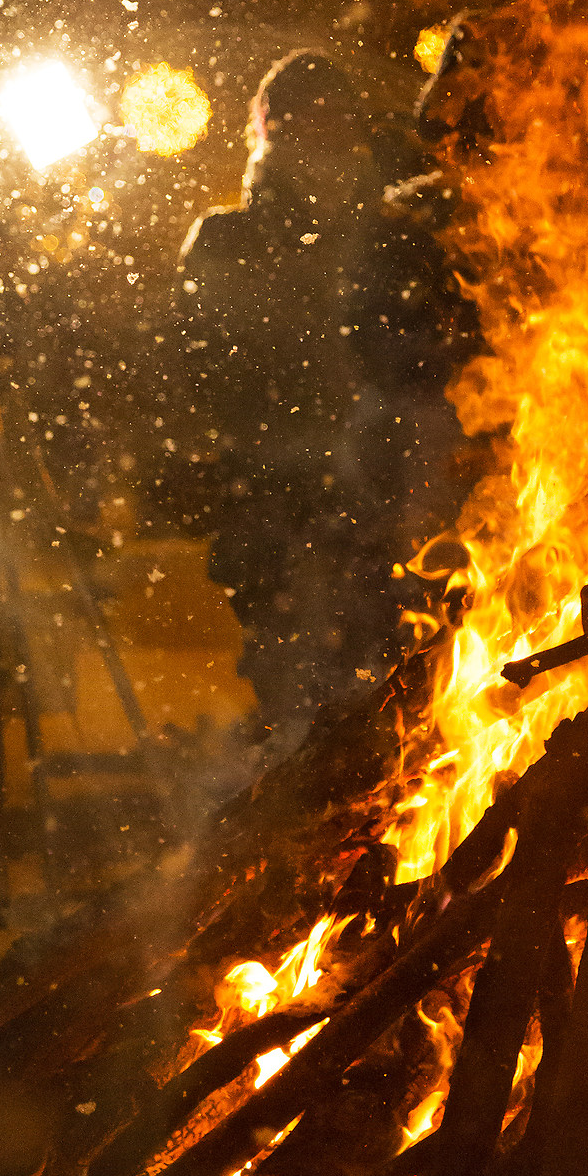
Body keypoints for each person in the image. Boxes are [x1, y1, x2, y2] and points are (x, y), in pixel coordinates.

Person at [177, 50, 472, 743]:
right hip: (284, 517)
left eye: (340, 124)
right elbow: (210, 373)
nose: (326, 141)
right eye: (306, 126)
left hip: (394, 515)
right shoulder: (230, 241)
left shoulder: (399, 238)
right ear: (270, 134)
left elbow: (439, 364)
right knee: (308, 720)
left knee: (408, 713)